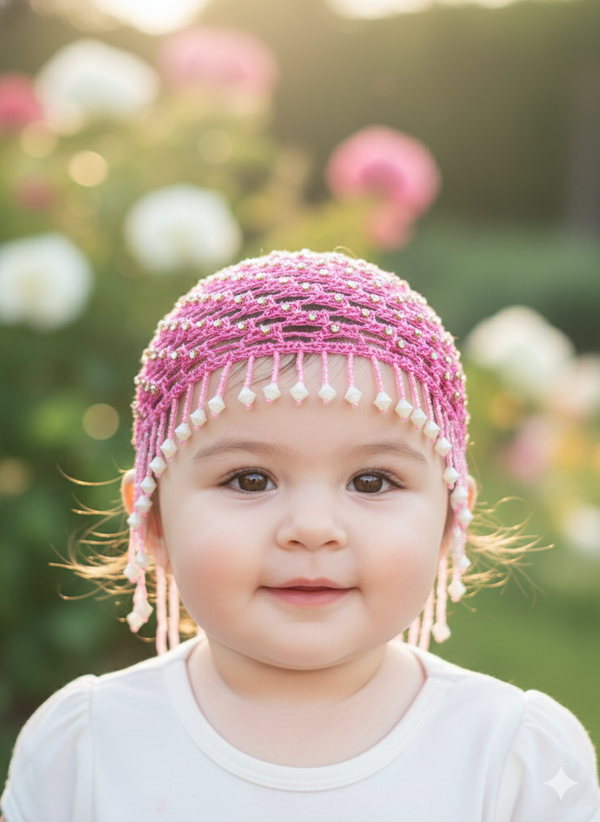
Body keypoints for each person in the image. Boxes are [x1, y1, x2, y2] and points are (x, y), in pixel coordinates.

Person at [1, 249, 598, 821]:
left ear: (451, 516)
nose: (313, 529)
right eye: (250, 479)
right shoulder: (84, 748)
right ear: (152, 517)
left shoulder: (517, 757)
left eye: (371, 481)